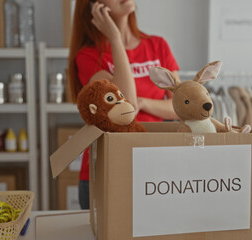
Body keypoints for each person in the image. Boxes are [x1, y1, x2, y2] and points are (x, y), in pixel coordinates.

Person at [67, 0, 180, 209]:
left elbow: (180, 106)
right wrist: (115, 39)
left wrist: (144, 103)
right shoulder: (88, 56)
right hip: (107, 166)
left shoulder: (158, 46)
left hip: (152, 165)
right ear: (95, 7)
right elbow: (125, 107)